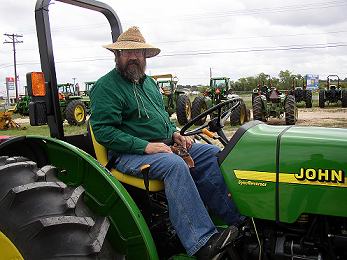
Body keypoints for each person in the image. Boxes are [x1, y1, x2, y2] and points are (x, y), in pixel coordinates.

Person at [90, 26, 245, 259]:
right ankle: (202, 242)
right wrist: (145, 146)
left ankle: (238, 221)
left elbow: (163, 119)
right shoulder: (106, 87)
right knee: (174, 165)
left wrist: (175, 134)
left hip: (163, 147)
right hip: (127, 154)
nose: (133, 57)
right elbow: (104, 131)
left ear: (145, 57)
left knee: (212, 153)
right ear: (117, 55)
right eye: (127, 52)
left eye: (139, 53)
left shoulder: (149, 84)